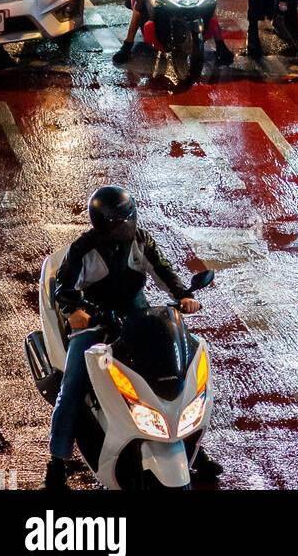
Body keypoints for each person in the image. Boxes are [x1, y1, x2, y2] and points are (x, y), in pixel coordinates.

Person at [43, 185, 221, 491]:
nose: (127, 225)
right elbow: (64, 288)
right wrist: (74, 311)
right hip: (97, 320)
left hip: (137, 316)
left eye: (129, 218)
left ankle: (192, 448)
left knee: (180, 376)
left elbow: (164, 271)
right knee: (71, 387)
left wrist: (183, 296)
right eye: (119, 221)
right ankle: (57, 464)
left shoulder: (141, 240)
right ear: (103, 223)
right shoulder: (83, 249)